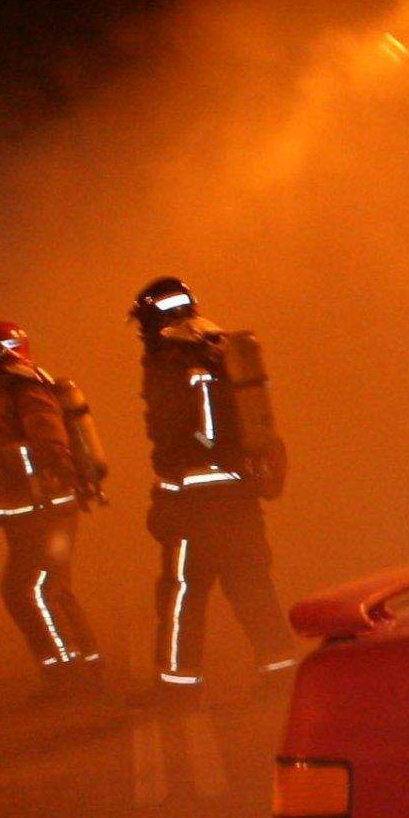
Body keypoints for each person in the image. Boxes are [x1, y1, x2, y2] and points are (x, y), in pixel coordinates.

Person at [131, 277, 289, 689]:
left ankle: (176, 686)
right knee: (251, 584)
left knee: (182, 592)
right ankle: (280, 672)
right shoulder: (220, 347)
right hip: (239, 493)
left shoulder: (173, 359)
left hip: (195, 506)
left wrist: (174, 479)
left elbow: (195, 433)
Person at [0, 320, 106, 681]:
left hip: (47, 507)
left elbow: (49, 443)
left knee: (28, 590)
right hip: (33, 509)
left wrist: (12, 467)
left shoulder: (25, 387)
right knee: (52, 589)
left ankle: (66, 670)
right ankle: (86, 663)